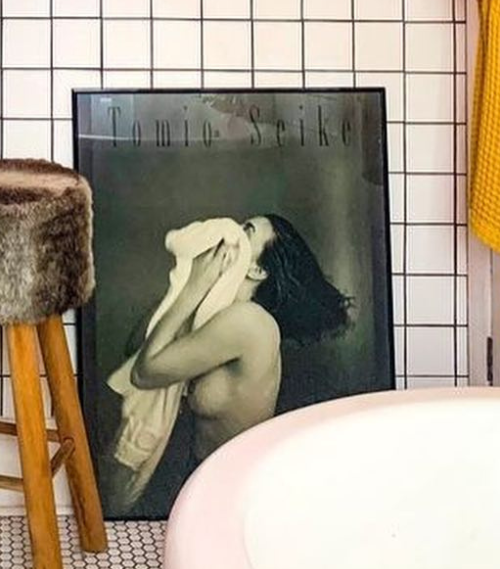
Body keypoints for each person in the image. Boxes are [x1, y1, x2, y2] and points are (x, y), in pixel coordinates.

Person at [110, 215, 350, 507]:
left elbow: (144, 374)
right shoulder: (215, 313)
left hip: (234, 490)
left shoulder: (249, 321)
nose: (232, 232)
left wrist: (192, 289)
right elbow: (135, 347)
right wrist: (185, 283)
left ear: (258, 269)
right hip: (199, 477)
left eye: (246, 230)